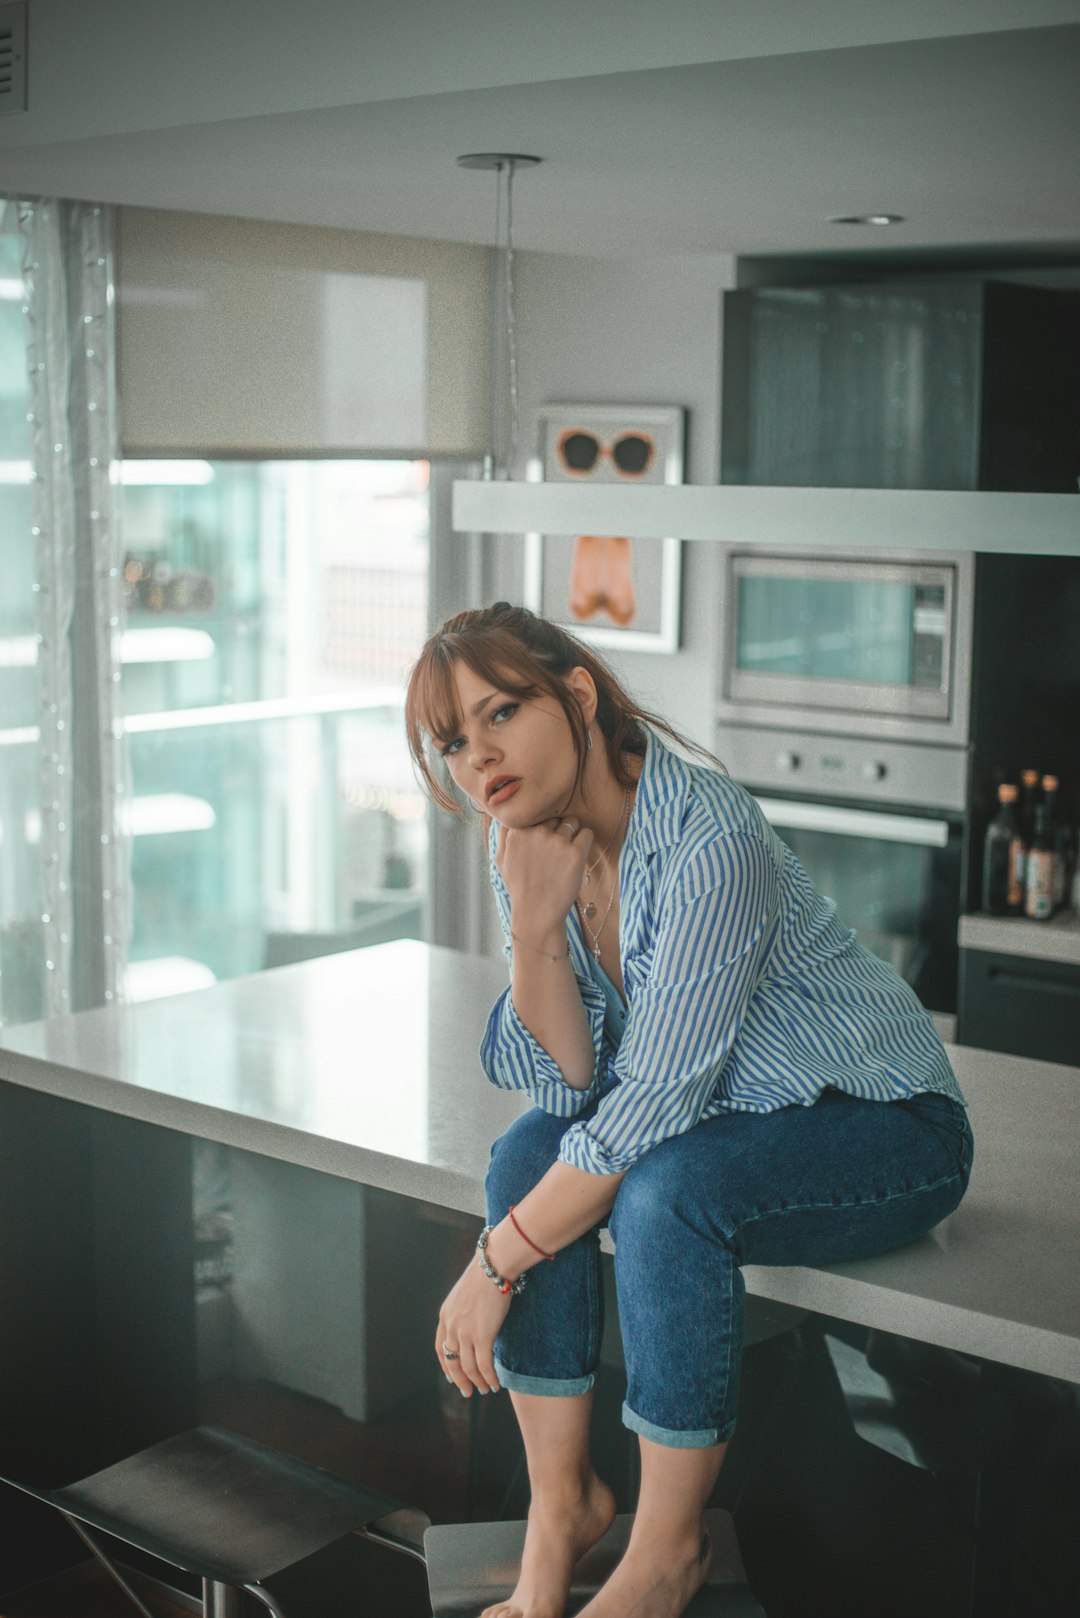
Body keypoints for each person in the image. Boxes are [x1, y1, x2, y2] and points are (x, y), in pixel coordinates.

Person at [404, 602, 973, 1618]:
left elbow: (655, 1099)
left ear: (575, 695)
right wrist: (535, 927)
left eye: (501, 713)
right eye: (452, 739)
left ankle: (665, 1555)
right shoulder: (526, 836)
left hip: (886, 1120)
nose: (477, 755)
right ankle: (560, 1508)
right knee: (527, 1154)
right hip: (736, 1114)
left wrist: (494, 1262)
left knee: (667, 1191)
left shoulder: (712, 836)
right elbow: (570, 1091)